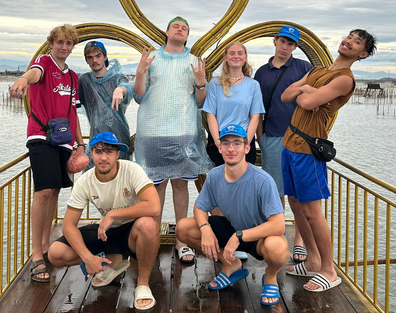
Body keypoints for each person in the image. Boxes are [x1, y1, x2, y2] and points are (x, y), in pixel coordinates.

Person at [280, 29, 377, 292]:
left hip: (309, 149)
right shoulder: (318, 70)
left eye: (357, 42)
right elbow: (286, 96)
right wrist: (306, 89)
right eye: (349, 37)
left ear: (363, 54)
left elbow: (309, 101)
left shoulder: (345, 79)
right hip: (290, 142)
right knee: (295, 204)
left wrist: (307, 92)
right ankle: (312, 260)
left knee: (312, 211)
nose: (349, 41)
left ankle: (328, 269)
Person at [175, 124, 288, 306]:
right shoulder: (214, 176)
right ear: (219, 148)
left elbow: (278, 225)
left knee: (278, 248)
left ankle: (270, 276)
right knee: (183, 229)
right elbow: (199, 207)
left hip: (258, 236)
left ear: (247, 148)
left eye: (237, 143)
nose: (231, 149)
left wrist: (240, 236)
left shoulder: (263, 180)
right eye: (226, 144)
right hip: (231, 228)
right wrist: (205, 229)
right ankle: (230, 264)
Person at [47, 132, 161, 311]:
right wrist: (87, 258)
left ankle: (142, 285)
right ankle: (109, 259)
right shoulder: (85, 181)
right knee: (55, 253)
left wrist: (113, 214)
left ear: (118, 154)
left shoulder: (132, 170)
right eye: (98, 151)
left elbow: (154, 206)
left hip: (131, 231)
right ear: (91, 154)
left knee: (148, 225)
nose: (104, 157)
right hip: (105, 231)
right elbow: (68, 225)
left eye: (109, 151)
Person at [8, 24, 86, 283]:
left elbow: (73, 113)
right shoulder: (44, 63)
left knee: (54, 190)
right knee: (42, 191)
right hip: (41, 136)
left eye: (68, 44)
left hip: (63, 141)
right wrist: (22, 79)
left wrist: (80, 144)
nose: (63, 47)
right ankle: (36, 254)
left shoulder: (73, 77)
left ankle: (44, 243)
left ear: (72, 47)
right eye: (59, 43)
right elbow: (33, 74)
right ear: (51, 44)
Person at [133, 16, 213, 265]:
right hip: (153, 132)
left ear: (188, 36)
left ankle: (181, 240)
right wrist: (139, 73)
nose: (180, 30)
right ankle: (151, 239)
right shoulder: (152, 58)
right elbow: (138, 96)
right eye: (176, 26)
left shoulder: (194, 62)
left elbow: (201, 101)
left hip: (183, 130)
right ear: (167, 31)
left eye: (185, 28)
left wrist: (201, 82)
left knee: (180, 185)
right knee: (155, 189)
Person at [253, 25, 312, 264]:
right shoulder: (261, 72)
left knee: (299, 191)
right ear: (275, 42)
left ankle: (299, 242)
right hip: (273, 136)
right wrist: (260, 136)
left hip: (300, 137)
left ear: (295, 47)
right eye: (282, 42)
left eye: (290, 43)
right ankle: (278, 235)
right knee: (276, 191)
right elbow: (256, 108)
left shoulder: (304, 68)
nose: (285, 47)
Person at [203, 41, 264, 166]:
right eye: (232, 53)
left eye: (240, 53)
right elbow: (211, 115)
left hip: (243, 139)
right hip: (220, 139)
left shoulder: (253, 85)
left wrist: (246, 142)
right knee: (220, 182)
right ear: (226, 57)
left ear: (245, 58)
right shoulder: (215, 83)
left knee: (244, 183)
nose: (236, 56)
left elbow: (255, 117)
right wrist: (217, 142)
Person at [78, 41, 134, 165]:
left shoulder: (118, 78)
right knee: (93, 180)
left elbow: (128, 87)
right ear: (86, 60)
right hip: (96, 140)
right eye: (90, 57)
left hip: (119, 140)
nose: (94, 60)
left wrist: (120, 90)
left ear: (105, 57)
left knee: (120, 179)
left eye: (98, 56)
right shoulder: (84, 81)